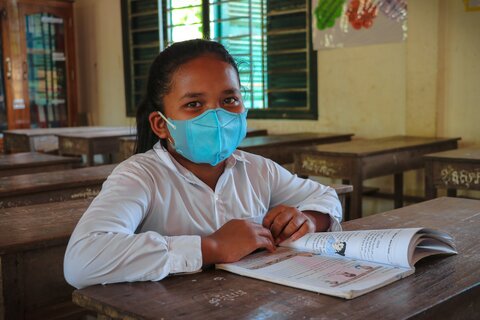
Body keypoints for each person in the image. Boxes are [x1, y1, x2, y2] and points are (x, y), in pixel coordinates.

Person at [64, 39, 342, 289]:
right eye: (195, 104)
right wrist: (211, 247)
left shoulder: (258, 169)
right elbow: (81, 261)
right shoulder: (141, 176)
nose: (217, 116)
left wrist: (309, 219)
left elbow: (324, 195)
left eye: (229, 100)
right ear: (161, 124)